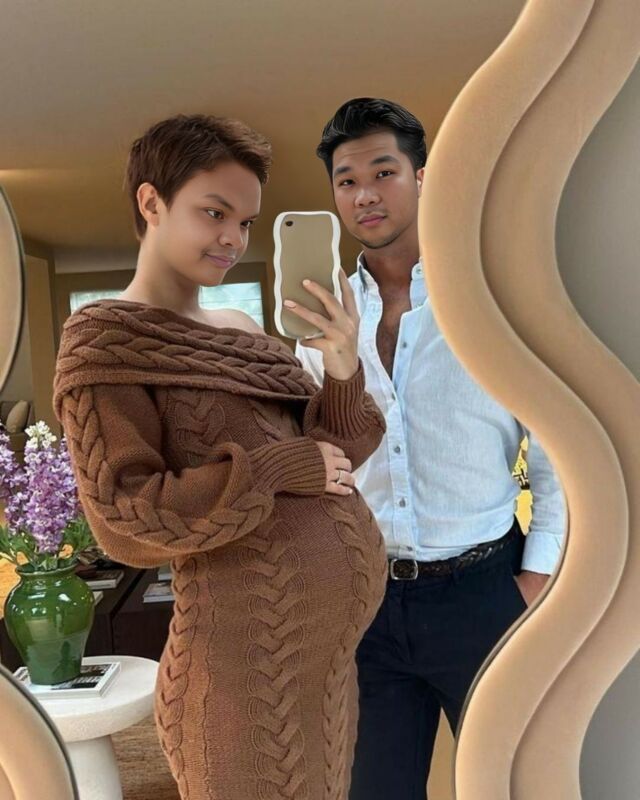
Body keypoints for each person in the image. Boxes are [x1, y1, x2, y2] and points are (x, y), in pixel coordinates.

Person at [53, 113, 388, 800]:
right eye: (214, 213)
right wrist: (275, 469)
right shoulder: (103, 341)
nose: (234, 238)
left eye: (246, 221)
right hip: (241, 684)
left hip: (324, 672)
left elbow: (341, 453)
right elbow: (125, 517)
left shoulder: (243, 333)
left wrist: (343, 366)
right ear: (152, 202)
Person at [294, 98, 566, 800]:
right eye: (347, 180)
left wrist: (535, 580)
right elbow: (316, 460)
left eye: (383, 172)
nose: (365, 194)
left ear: (422, 176)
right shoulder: (318, 324)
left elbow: (553, 449)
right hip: (367, 604)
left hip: (486, 591)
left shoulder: (489, 299)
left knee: (512, 783)